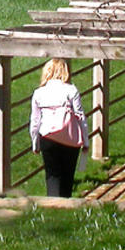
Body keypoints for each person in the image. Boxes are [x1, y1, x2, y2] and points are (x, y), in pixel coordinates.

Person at [29, 58, 88, 197]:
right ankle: (66, 206)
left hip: (47, 136)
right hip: (70, 137)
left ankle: (52, 205)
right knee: (68, 176)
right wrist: (85, 141)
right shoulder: (71, 90)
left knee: (52, 175)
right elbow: (81, 117)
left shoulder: (38, 93)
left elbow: (35, 121)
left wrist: (35, 143)